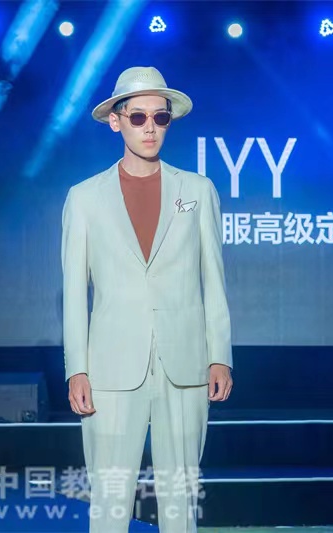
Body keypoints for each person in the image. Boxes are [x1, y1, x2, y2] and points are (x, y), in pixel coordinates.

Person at [60, 66, 233, 532]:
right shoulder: (84, 198)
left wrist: (219, 355)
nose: (150, 127)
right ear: (116, 121)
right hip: (110, 368)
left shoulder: (198, 190)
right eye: (138, 117)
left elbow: (213, 279)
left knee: (181, 498)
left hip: (186, 364)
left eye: (161, 117)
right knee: (109, 499)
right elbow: (74, 292)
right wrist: (77, 368)